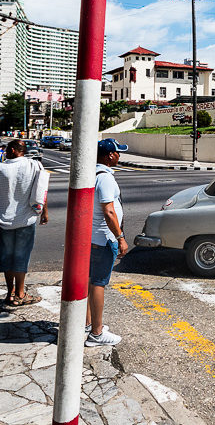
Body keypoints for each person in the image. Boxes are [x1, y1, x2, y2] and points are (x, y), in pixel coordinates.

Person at [0, 139, 49, 305]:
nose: (5, 152)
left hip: (5, 223)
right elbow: (41, 192)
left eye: (7, 149)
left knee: (7, 258)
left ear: (15, 150)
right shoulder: (34, 165)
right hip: (26, 221)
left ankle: (10, 294)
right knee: (21, 258)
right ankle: (21, 294)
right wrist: (44, 212)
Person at [86, 138, 129, 347]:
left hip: (94, 238)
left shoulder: (94, 173)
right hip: (103, 239)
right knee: (98, 284)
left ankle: (88, 324)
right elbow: (109, 211)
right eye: (118, 152)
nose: (120, 156)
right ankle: (96, 332)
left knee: (91, 282)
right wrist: (120, 237)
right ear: (110, 155)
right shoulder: (105, 178)